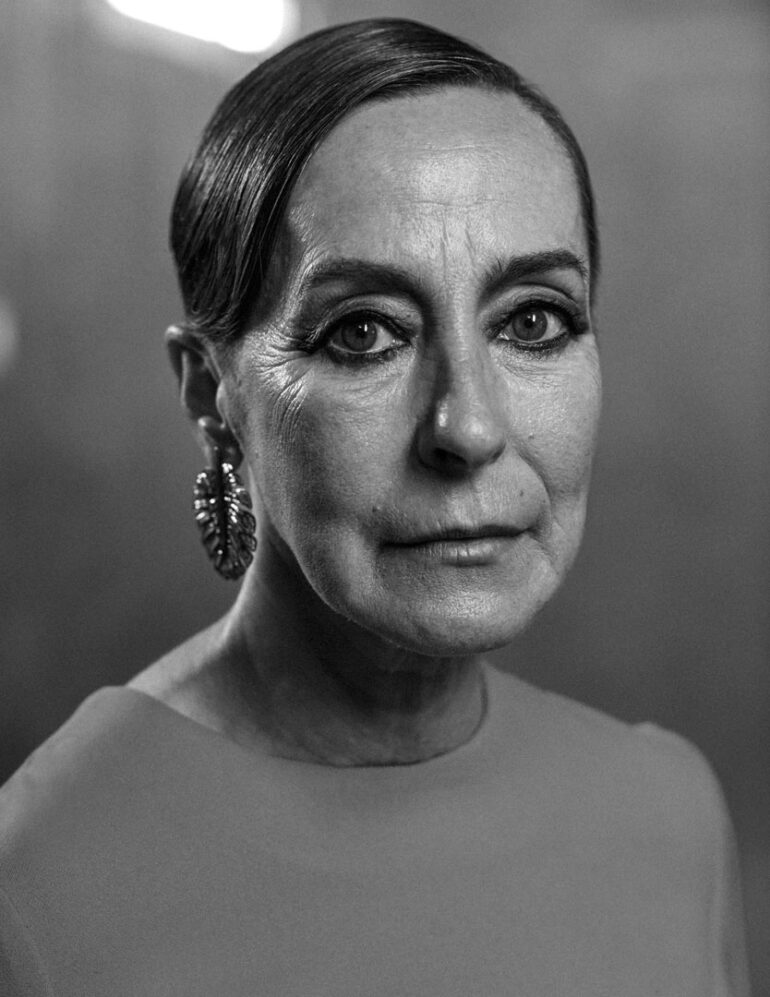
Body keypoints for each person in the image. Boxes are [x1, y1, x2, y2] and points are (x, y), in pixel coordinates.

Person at [0, 18, 750, 996]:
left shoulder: (669, 815)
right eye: (364, 333)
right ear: (211, 395)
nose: (467, 427)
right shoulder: (37, 885)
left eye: (532, 320)